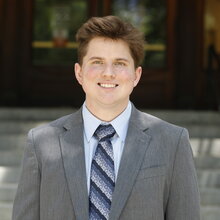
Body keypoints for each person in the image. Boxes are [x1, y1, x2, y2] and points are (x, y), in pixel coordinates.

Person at [12, 15, 200, 220]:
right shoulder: (41, 143)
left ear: (136, 75)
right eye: (97, 62)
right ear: (79, 72)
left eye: (119, 63)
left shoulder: (173, 142)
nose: (108, 73)